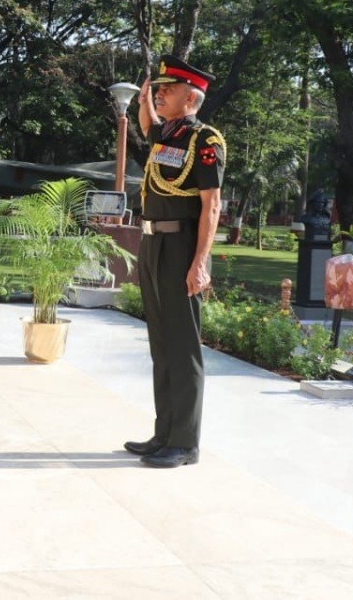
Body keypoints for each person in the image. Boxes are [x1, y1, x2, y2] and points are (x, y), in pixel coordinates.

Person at [123, 54, 225, 469]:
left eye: (169, 89)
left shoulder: (205, 141)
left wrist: (200, 262)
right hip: (153, 245)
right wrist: (144, 99)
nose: (161, 94)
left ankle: (185, 443)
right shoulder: (168, 135)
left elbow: (212, 206)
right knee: (161, 345)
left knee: (183, 348)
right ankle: (164, 433)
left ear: (192, 98)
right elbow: (148, 130)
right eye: (158, 89)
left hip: (182, 247)